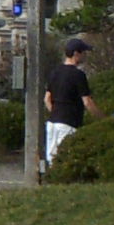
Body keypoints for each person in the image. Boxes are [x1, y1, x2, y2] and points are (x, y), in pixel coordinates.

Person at [42, 36, 100, 169]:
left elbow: (47, 99)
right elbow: (87, 102)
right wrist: (101, 118)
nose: (85, 56)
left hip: (53, 122)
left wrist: (56, 112)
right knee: (66, 162)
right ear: (76, 54)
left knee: (52, 161)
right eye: (83, 52)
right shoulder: (78, 75)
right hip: (68, 123)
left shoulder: (55, 72)